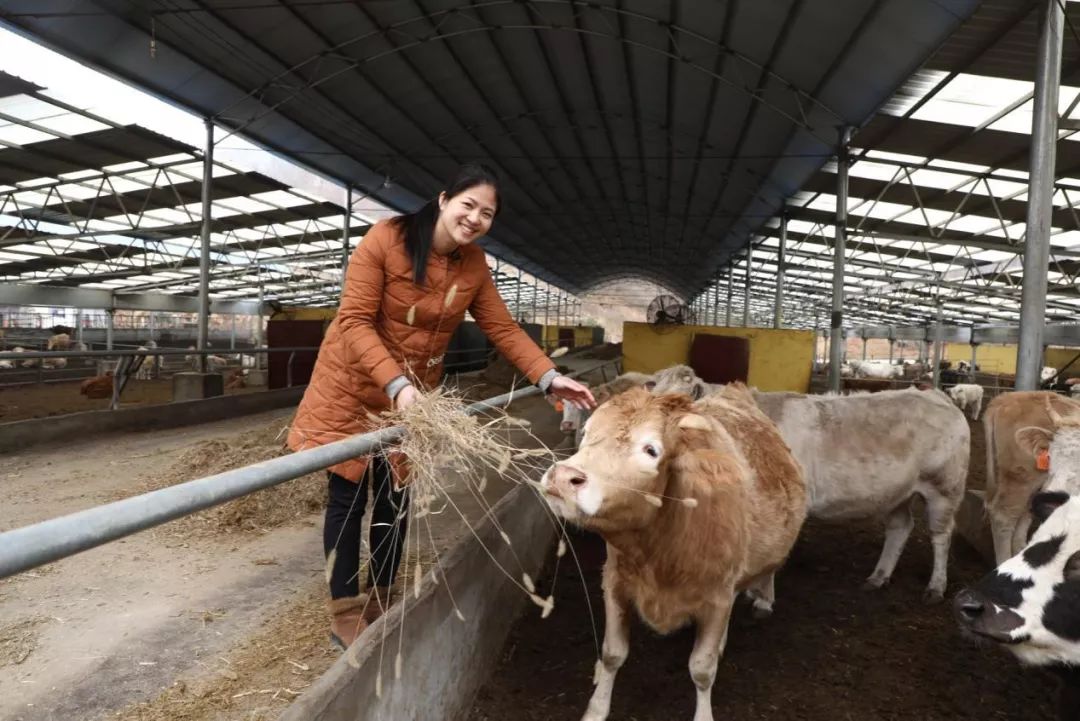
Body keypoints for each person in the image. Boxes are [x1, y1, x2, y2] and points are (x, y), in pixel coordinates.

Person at [287, 163, 595, 650]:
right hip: (352, 386)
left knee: (396, 495)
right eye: (468, 205)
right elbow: (354, 320)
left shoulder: (474, 266)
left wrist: (550, 377)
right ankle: (344, 611)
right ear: (444, 198)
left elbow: (503, 329)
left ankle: (383, 598)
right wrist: (396, 385)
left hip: (411, 397)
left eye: (487, 214)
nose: (474, 219)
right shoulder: (386, 240)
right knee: (348, 498)